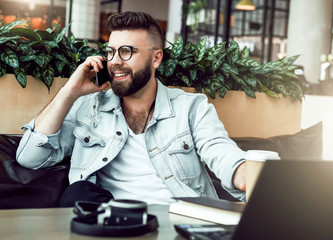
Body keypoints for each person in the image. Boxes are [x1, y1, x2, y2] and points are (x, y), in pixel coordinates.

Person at [16, 11, 246, 206]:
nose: (115, 60)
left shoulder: (192, 108)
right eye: (110, 51)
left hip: (177, 220)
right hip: (111, 223)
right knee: (78, 193)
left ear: (156, 58)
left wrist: (247, 174)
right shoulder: (90, 108)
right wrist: (69, 92)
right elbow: (30, 158)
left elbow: (221, 153)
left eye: (127, 51)